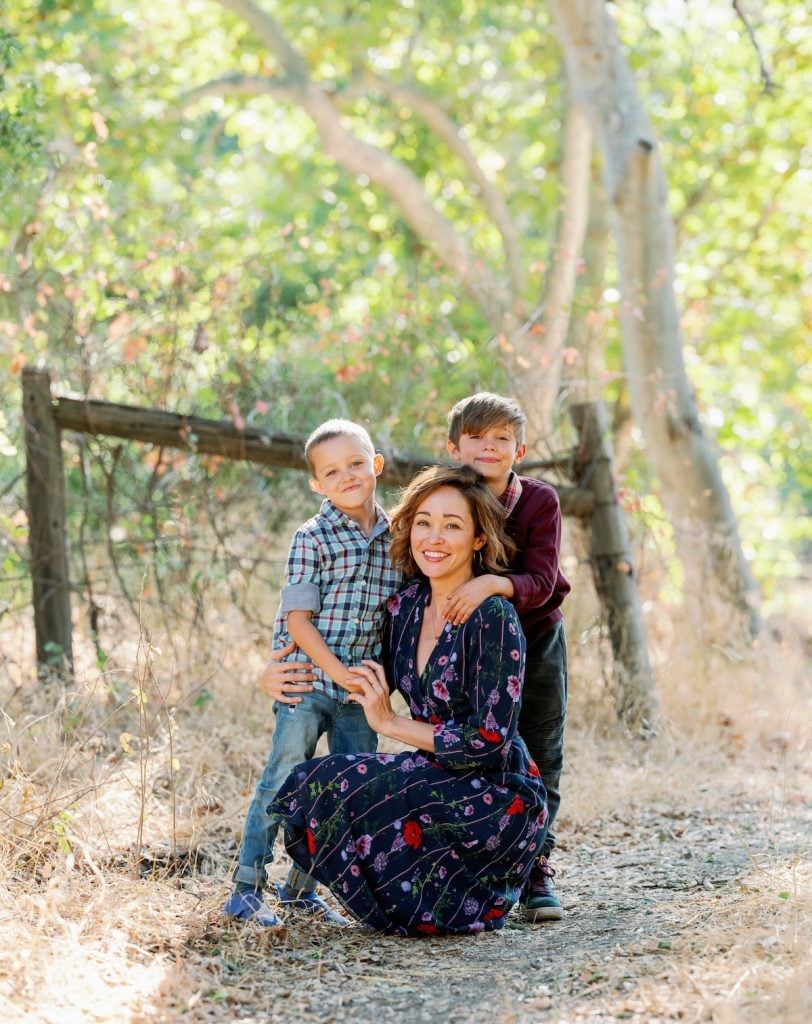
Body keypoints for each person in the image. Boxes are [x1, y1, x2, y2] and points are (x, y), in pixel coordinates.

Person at [269, 466, 548, 936]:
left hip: (498, 797)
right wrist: (274, 670)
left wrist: (390, 723)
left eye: (453, 525)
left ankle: (468, 898)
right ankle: (341, 899)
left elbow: (489, 742)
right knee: (315, 782)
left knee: (363, 784)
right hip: (433, 775)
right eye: (424, 522)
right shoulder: (406, 607)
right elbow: (353, 666)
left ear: (479, 539)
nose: (434, 538)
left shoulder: (493, 616)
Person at [223, 419, 402, 928]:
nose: (347, 476)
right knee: (282, 777)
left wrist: (372, 678)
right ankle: (246, 889)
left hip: (361, 693)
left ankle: (301, 892)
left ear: (376, 466)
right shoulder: (312, 537)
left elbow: (397, 617)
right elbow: (298, 621)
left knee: (344, 790)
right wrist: (338, 672)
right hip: (308, 682)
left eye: (355, 464)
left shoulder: (397, 538)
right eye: (331, 471)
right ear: (316, 484)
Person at [445, 392, 570, 922]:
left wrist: (493, 583)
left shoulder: (539, 501)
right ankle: (472, 869)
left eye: (502, 439)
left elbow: (543, 581)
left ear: (521, 448)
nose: (489, 447)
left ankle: (534, 868)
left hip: (537, 637)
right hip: (468, 647)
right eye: (477, 437)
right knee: (474, 749)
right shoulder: (445, 497)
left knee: (540, 748)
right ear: (454, 446)